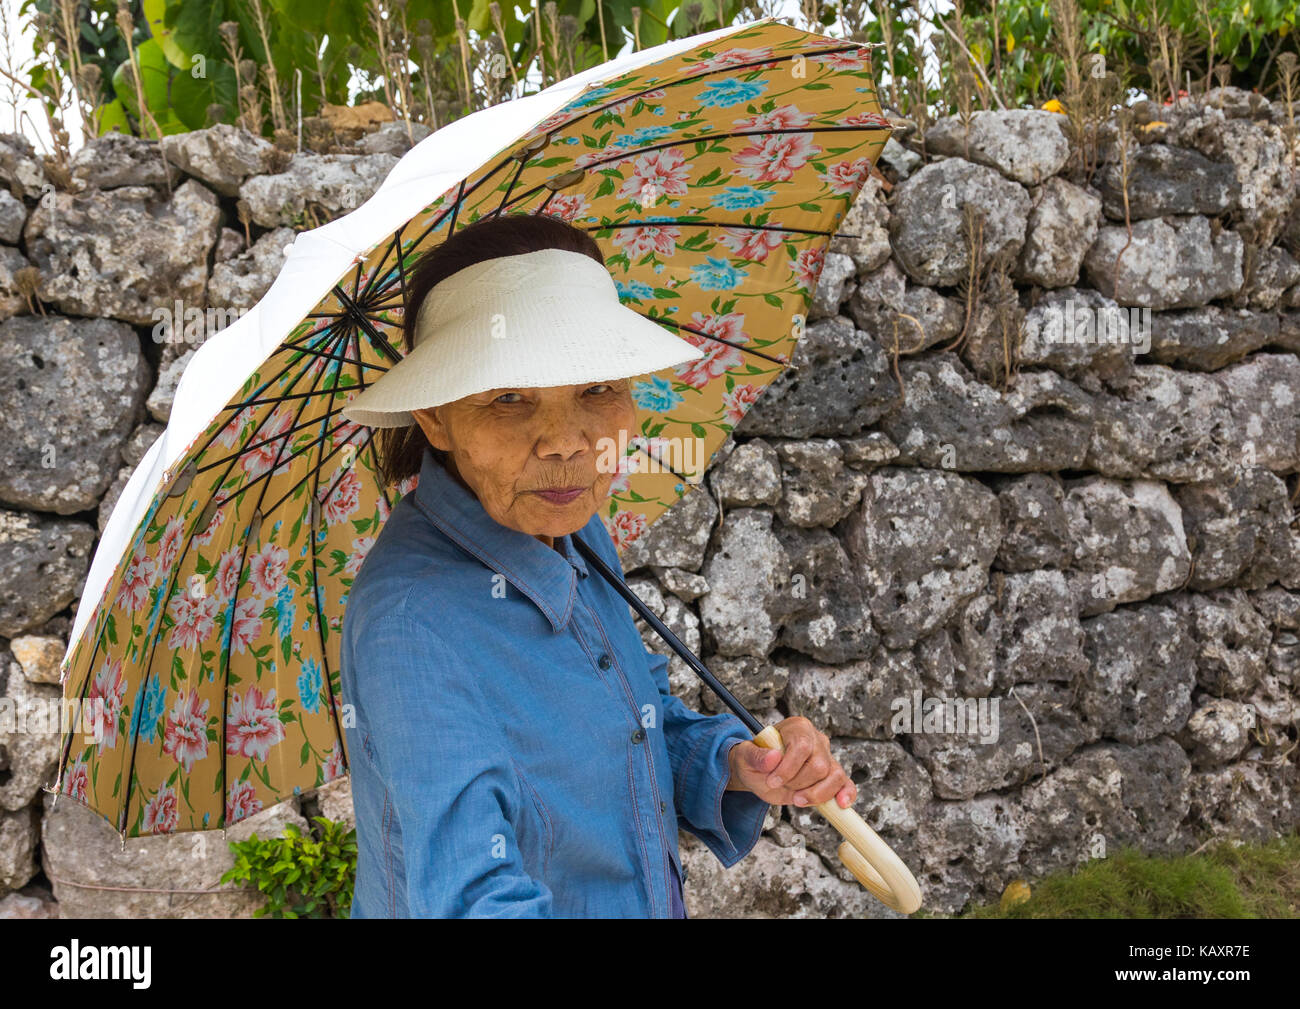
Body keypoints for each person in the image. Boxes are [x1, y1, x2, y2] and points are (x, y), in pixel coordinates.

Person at [338, 213, 857, 918]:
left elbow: (631, 726)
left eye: (596, 389)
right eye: (509, 397)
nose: (564, 442)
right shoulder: (413, 628)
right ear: (434, 418)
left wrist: (741, 764)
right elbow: (473, 900)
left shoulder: (574, 536)